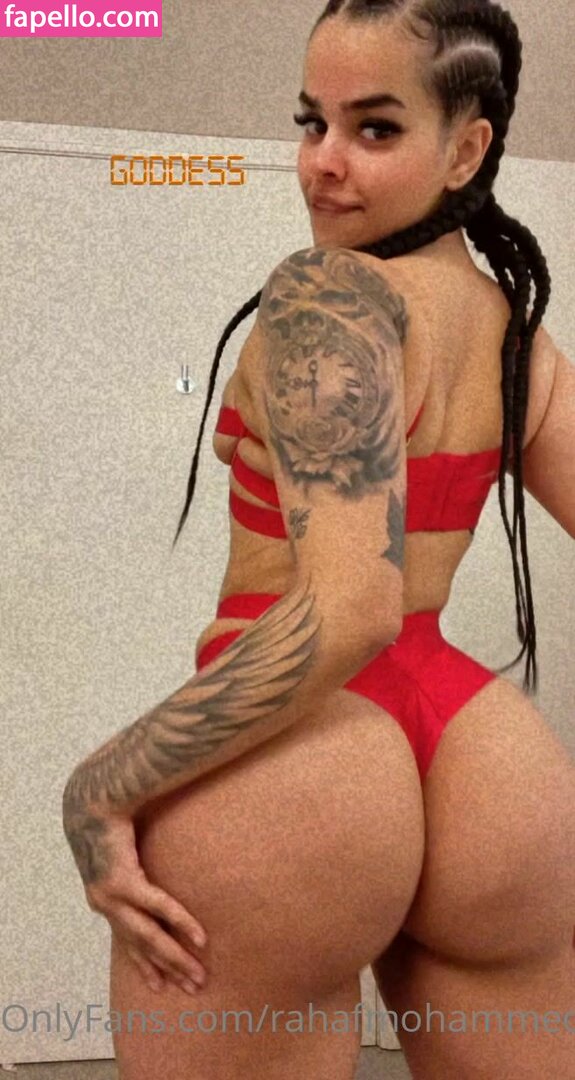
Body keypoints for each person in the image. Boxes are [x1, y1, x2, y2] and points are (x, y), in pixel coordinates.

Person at [62, 2, 575, 1077]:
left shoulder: (328, 297)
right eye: (312, 122)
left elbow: (348, 611)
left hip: (304, 761)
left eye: (373, 128)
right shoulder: (513, 335)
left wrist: (101, 787)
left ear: (466, 149)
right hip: (484, 765)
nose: (321, 164)